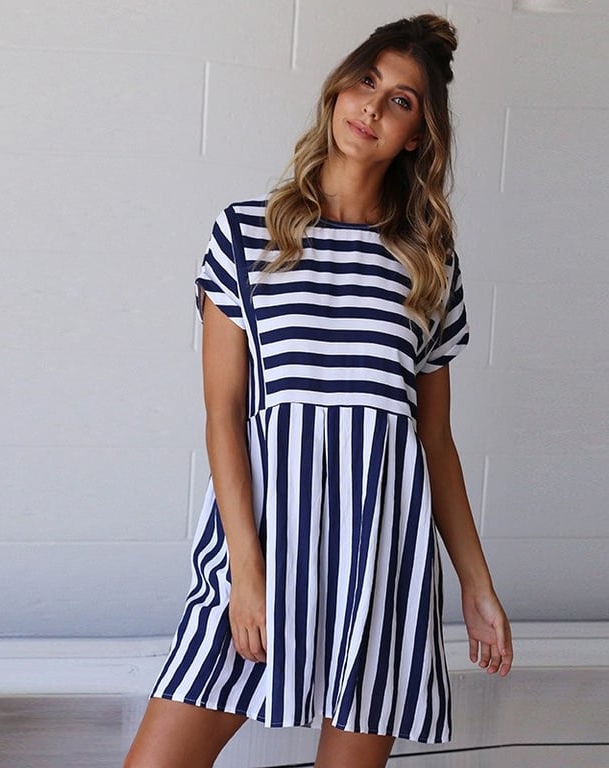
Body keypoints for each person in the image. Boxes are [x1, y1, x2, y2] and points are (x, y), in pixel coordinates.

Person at [124, 13, 512, 768]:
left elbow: (434, 443)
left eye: (400, 100)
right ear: (339, 89)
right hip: (262, 556)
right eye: (367, 81)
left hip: (382, 566)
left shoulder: (428, 263)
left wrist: (477, 586)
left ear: (417, 137)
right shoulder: (246, 233)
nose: (373, 106)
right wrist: (244, 573)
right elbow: (223, 418)